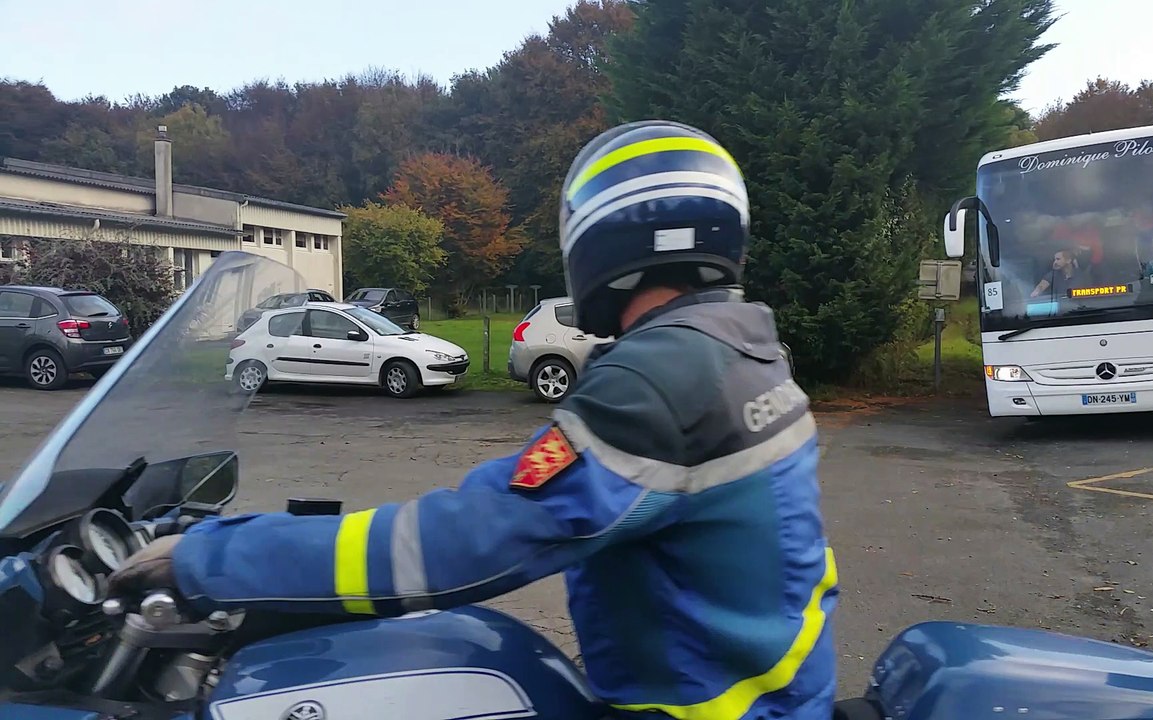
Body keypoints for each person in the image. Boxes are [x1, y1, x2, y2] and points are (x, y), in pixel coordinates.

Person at [107, 120, 840, 719]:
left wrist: (214, 558)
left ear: (605, 237)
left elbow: (462, 543)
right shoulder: (740, 351)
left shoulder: (664, 379)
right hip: (769, 699)